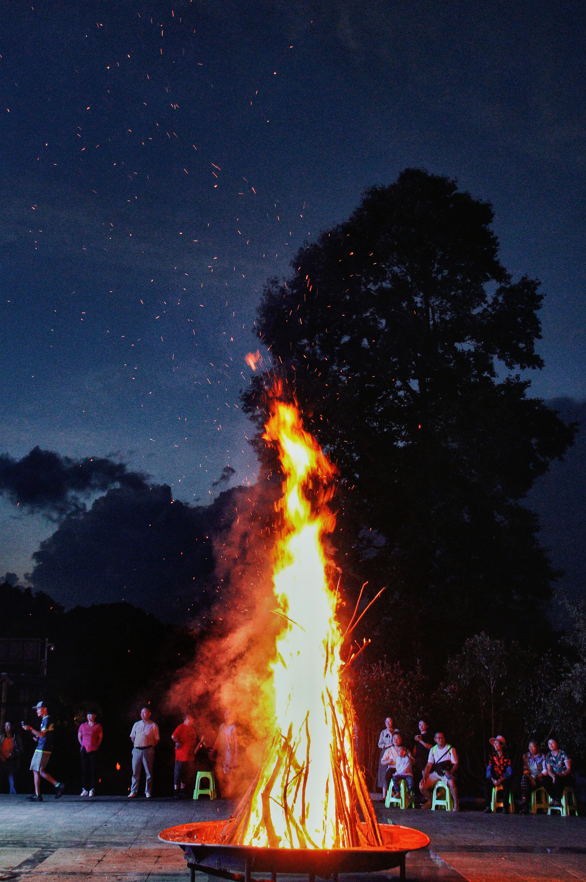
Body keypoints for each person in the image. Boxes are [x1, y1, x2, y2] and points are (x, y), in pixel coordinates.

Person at [22, 701, 65, 801]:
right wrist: (36, 737)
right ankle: (40, 793)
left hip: (43, 748)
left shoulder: (46, 719)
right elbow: (43, 735)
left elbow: (42, 734)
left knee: (38, 769)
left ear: (44, 709)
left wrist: (30, 728)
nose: (36, 711)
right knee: (37, 769)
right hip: (43, 747)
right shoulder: (45, 720)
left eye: (38, 709)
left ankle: (56, 786)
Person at [419, 731, 459, 811]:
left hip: (446, 772)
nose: (440, 739)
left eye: (442, 738)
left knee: (452, 783)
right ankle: (430, 801)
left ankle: (456, 804)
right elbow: (429, 764)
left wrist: (450, 772)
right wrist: (425, 776)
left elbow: (455, 764)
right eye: (438, 738)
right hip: (437, 772)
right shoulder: (433, 749)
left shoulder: (450, 748)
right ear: (435, 739)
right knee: (422, 786)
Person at [129, 707, 160, 798]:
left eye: (144, 713)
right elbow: (132, 737)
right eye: (141, 713)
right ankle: (133, 791)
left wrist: (149, 746)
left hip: (148, 750)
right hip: (137, 750)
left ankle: (148, 791)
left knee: (148, 772)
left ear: (149, 714)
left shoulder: (153, 725)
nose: (142, 714)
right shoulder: (136, 724)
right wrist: (137, 743)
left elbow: (157, 739)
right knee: (135, 772)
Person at [171, 712, 204, 798]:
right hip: (181, 756)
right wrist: (179, 742)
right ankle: (176, 791)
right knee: (178, 773)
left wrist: (200, 742)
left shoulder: (192, 730)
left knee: (186, 774)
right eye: (193, 719)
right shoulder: (181, 727)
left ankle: (183, 790)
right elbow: (173, 736)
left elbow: (194, 744)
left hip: (190, 756)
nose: (193, 721)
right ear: (188, 718)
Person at [212, 710, 238, 798]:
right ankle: (223, 794)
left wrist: (235, 757)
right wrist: (213, 751)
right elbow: (218, 739)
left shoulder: (233, 728)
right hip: (222, 753)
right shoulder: (222, 726)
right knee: (220, 774)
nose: (227, 716)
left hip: (229, 753)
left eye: (229, 715)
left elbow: (236, 743)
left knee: (229, 774)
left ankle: (230, 794)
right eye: (226, 714)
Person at [484, 735, 513, 813]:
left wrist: (502, 779)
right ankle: (487, 806)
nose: (495, 745)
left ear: (502, 745)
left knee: (506, 785)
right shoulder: (492, 756)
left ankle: (505, 807)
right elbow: (489, 769)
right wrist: (492, 779)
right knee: (487, 784)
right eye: (495, 744)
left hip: (504, 777)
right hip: (494, 777)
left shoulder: (507, 756)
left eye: (497, 743)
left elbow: (509, 771)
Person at [78, 711, 103, 797]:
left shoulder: (98, 726)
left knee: (93, 770)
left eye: (91, 715)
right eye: (88, 715)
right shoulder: (83, 725)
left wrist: (96, 745)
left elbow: (100, 737)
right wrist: (82, 745)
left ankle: (92, 788)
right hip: (84, 749)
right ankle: (85, 789)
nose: (89, 717)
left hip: (94, 749)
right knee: (84, 769)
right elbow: (79, 736)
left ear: (94, 716)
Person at [519, 739, 547, 814]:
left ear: (537, 747)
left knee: (527, 786)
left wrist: (536, 777)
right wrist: (531, 779)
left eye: (533, 747)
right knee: (524, 779)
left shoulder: (542, 756)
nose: (531, 749)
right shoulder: (526, 756)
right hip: (529, 778)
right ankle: (525, 802)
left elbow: (545, 770)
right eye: (530, 747)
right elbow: (525, 770)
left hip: (539, 777)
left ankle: (525, 803)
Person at [544, 738, 574, 806]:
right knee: (545, 780)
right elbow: (549, 770)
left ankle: (558, 799)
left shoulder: (563, 753)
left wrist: (563, 774)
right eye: (549, 743)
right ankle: (553, 797)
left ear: (557, 744)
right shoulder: (548, 755)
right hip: (555, 775)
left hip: (566, 776)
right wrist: (553, 776)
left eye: (552, 743)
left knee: (559, 779)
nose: (550, 745)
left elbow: (568, 768)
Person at [377, 717, 398, 796]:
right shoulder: (383, 732)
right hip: (385, 751)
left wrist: (391, 735)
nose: (388, 723)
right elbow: (380, 744)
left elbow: (396, 741)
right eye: (386, 722)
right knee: (383, 772)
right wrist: (387, 745)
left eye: (389, 721)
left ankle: (393, 793)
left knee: (391, 772)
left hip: (394, 752)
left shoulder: (396, 731)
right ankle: (384, 795)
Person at [0, 721, 23, 794]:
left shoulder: (16, 738)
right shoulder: (2, 737)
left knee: (12, 781)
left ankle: (13, 797)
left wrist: (14, 754)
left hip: (12, 761)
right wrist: (1, 756)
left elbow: (21, 749)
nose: (6, 728)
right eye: (5, 726)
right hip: (2, 760)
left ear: (12, 727)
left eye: (8, 726)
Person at [412, 720, 433, 789]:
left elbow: (430, 747)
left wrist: (420, 741)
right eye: (420, 725)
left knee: (425, 773)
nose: (421, 726)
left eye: (423, 725)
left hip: (426, 758)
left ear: (426, 726)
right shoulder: (417, 736)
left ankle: (427, 787)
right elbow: (415, 748)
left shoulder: (428, 735)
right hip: (418, 759)